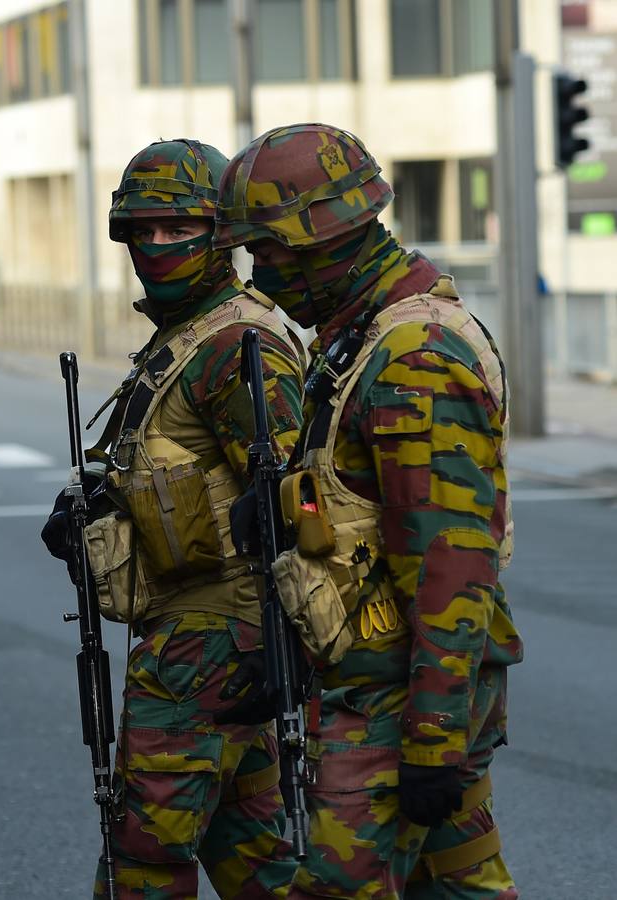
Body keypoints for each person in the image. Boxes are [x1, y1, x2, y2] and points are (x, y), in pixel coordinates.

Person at [212, 123, 522, 899]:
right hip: (384, 677)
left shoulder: (413, 354)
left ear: (323, 239)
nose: (262, 275)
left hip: (404, 697)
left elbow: (450, 566)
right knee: (458, 882)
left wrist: (432, 740)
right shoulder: (361, 335)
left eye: (271, 252)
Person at [43, 139, 304, 899]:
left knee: (145, 856)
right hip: (206, 636)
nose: (159, 247)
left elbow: (289, 499)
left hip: (213, 644)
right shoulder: (192, 334)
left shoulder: (237, 344)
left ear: (220, 232)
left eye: (179, 228)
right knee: (254, 850)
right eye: (143, 232)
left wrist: (281, 644)